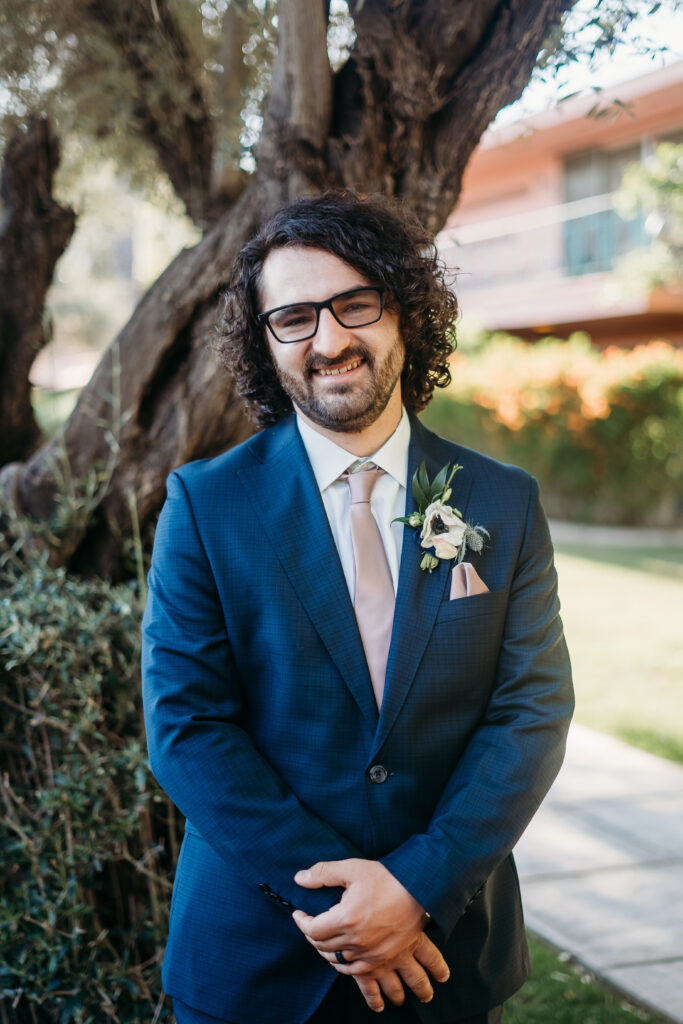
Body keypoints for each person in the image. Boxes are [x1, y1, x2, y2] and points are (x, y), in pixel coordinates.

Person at [141, 191, 574, 1024]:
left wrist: (415, 886)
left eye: (354, 304)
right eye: (294, 318)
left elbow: (532, 710)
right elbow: (187, 727)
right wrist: (351, 907)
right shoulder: (204, 504)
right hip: (255, 963)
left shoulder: (503, 502)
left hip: (444, 961)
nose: (329, 340)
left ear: (404, 313)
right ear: (267, 345)